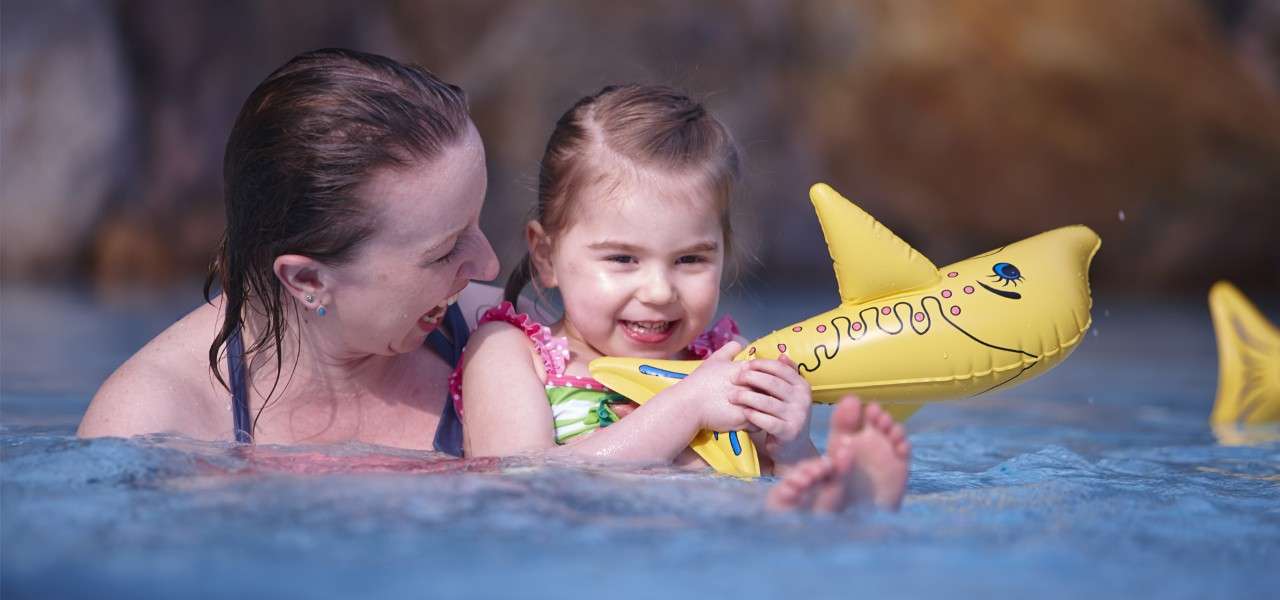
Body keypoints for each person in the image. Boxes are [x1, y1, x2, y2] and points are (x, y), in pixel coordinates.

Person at [455, 85, 909, 508]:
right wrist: (687, 405)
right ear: (546, 255)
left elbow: (764, 479)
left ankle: (849, 498)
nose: (658, 292)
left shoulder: (721, 364)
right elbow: (522, 478)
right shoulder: (509, 353)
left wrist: (791, 448)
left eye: (690, 260)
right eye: (622, 259)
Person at [79, 48, 503, 453]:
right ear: (308, 280)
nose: (490, 265)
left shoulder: (515, 345)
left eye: (477, 220)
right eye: (445, 251)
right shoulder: (151, 422)